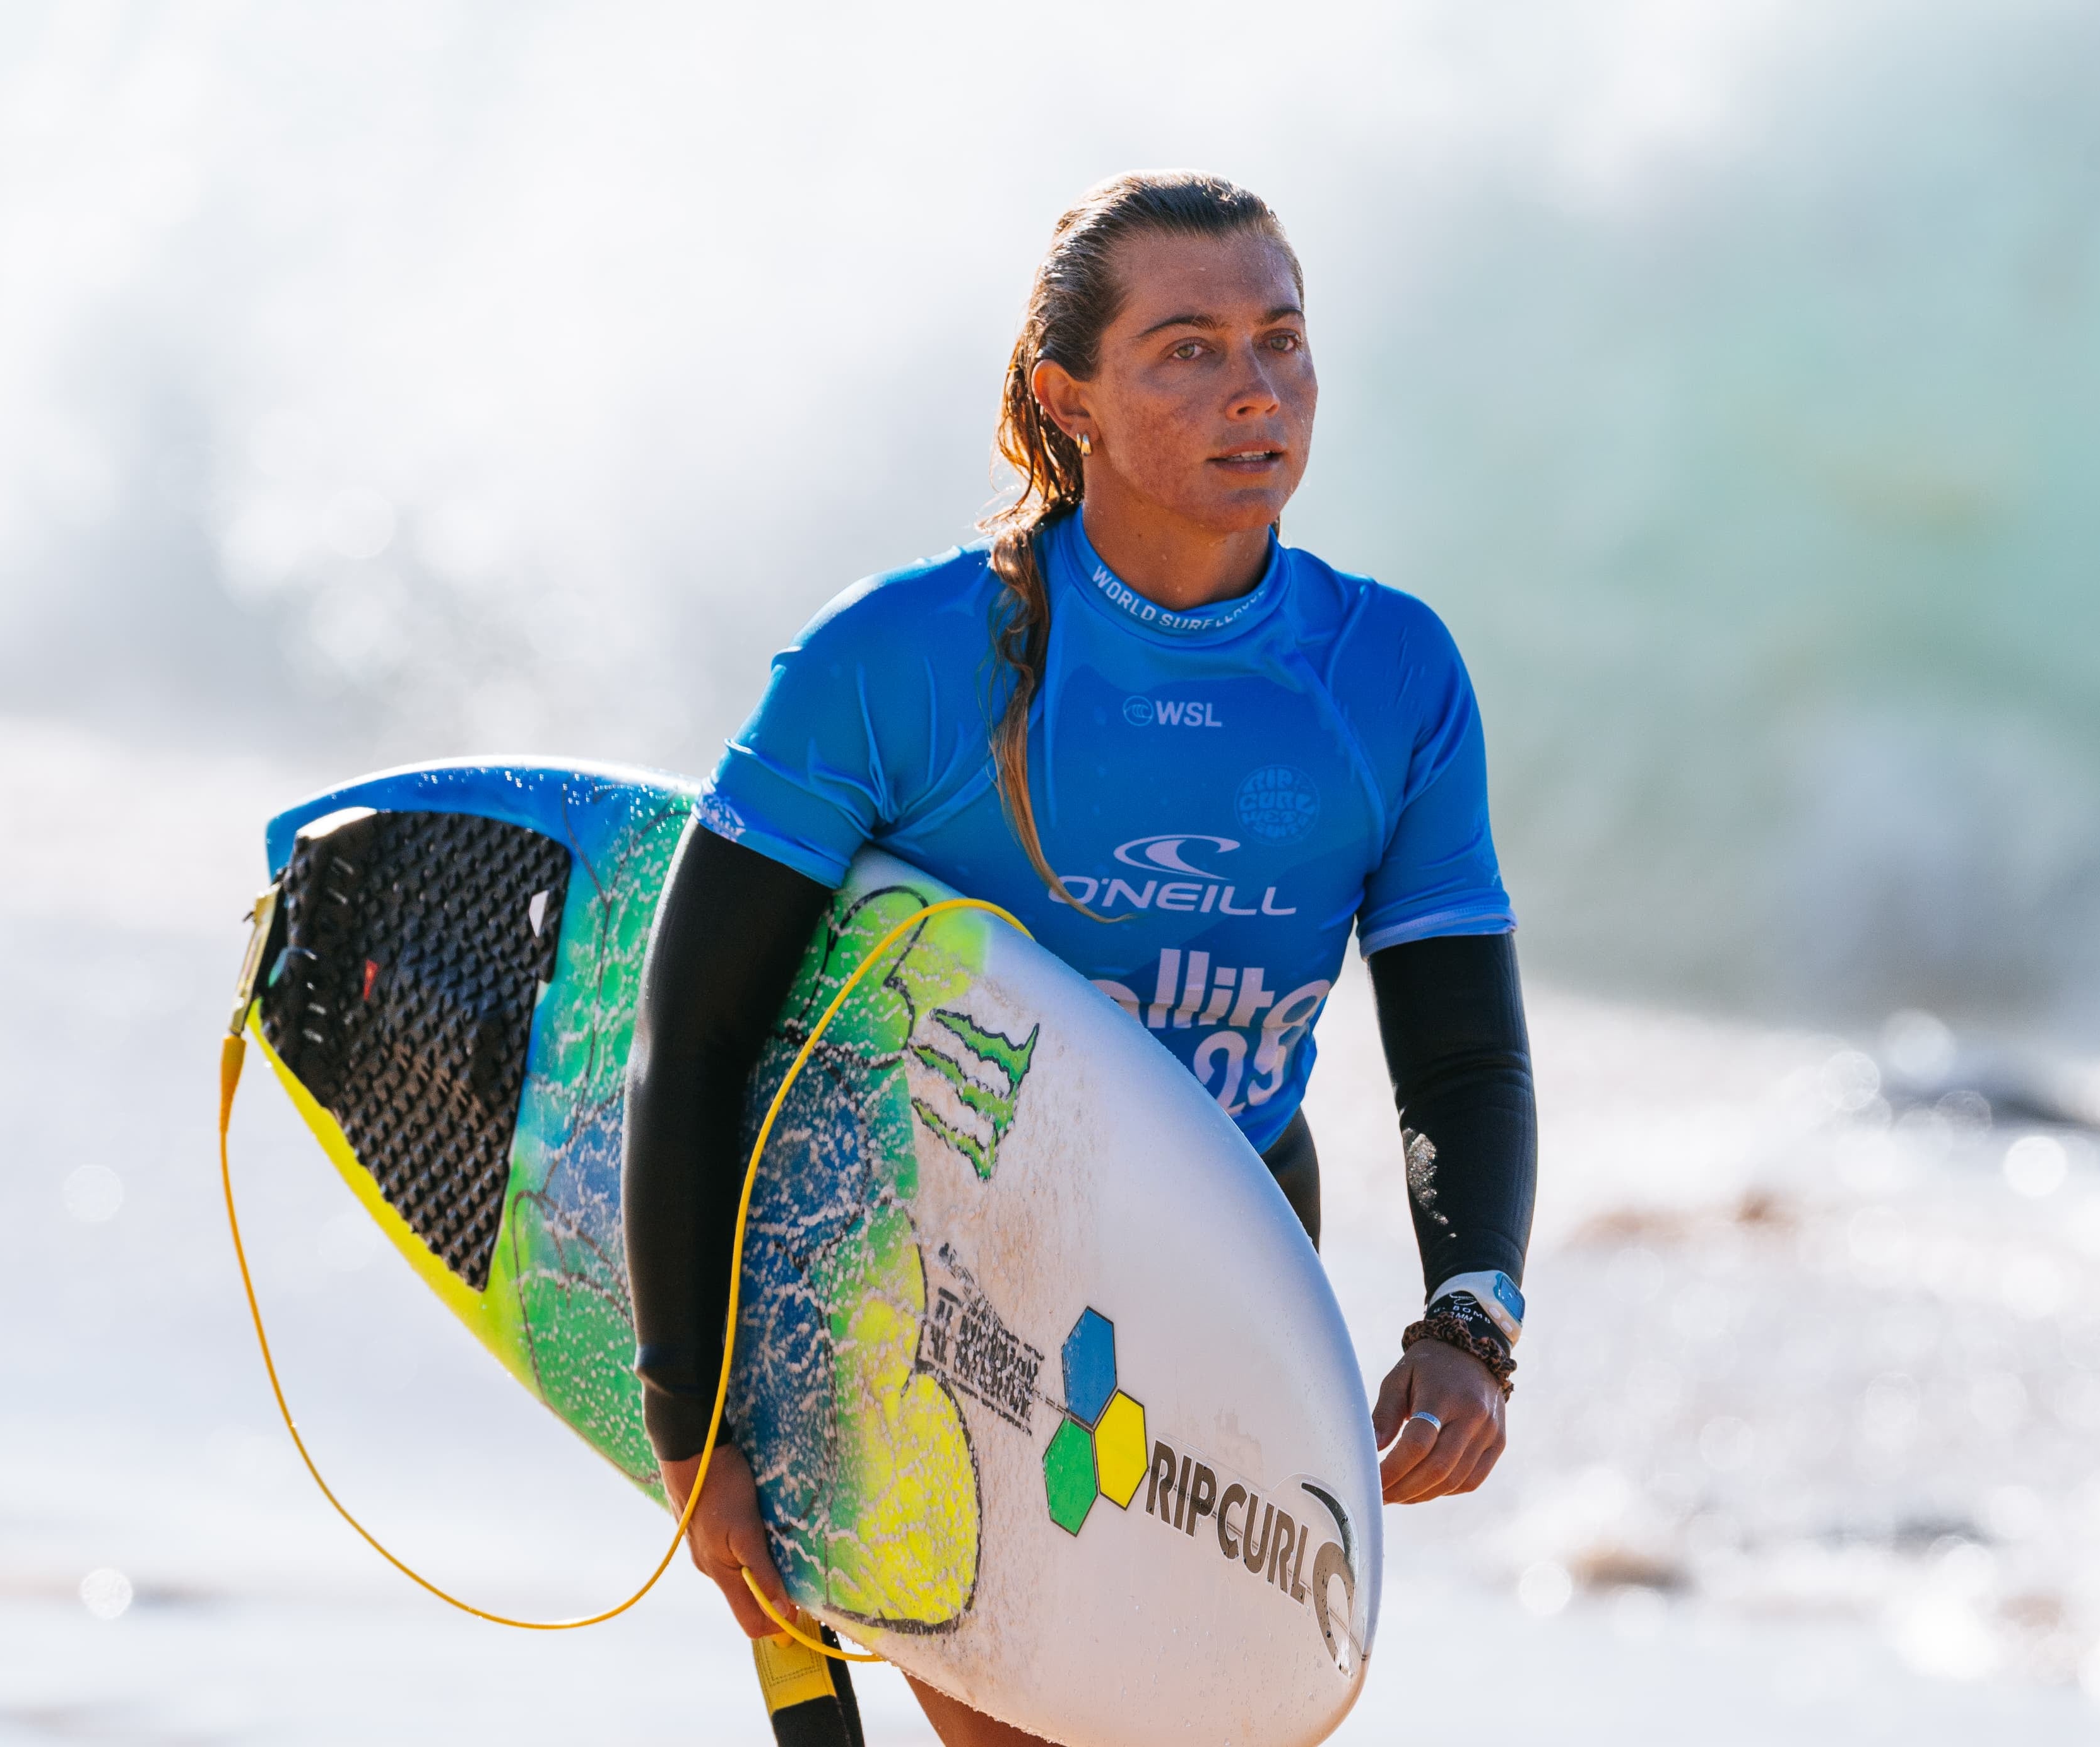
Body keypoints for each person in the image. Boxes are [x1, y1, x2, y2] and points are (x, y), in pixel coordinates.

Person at [621, 171, 1537, 1747]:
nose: (1254, 390)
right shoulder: (897, 660)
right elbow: (692, 1037)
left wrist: (1471, 1322)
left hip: (1226, 1259)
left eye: (1282, 340)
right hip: (923, 1265)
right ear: (1072, 397)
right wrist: (694, 1424)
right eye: (1186, 348)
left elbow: (1458, 1048)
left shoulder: (1387, 674)